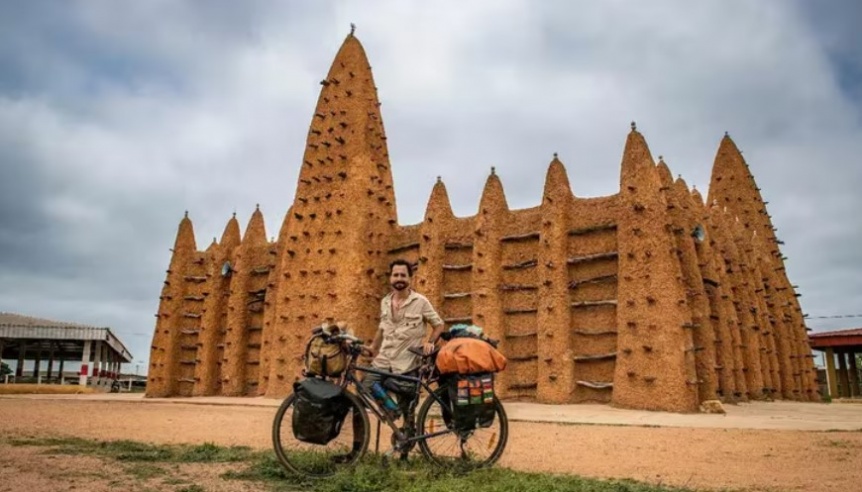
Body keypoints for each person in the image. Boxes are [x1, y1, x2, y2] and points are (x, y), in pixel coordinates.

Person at [361, 259, 444, 416]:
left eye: (403, 275)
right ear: (391, 278)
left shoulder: (421, 302)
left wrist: (430, 342)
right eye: (395, 275)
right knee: (367, 384)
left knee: (408, 412)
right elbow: (382, 327)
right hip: (385, 360)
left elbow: (439, 325)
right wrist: (373, 347)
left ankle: (406, 434)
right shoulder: (385, 301)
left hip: (407, 364)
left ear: (410, 278)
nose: (399, 278)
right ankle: (392, 410)